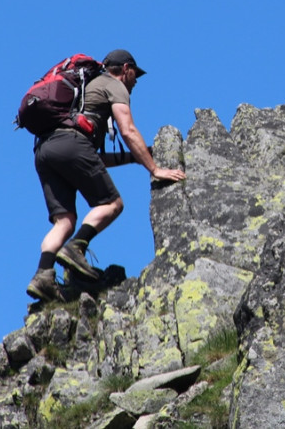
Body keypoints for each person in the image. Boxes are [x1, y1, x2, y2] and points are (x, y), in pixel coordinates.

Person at [26, 49, 186, 302]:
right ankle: (77, 247)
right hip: (71, 144)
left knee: (65, 220)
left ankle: (42, 275)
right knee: (112, 203)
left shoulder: (86, 94)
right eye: (135, 75)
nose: (135, 81)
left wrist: (136, 157)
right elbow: (128, 129)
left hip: (44, 150)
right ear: (126, 69)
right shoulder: (113, 85)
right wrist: (155, 169)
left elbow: (91, 159)